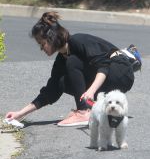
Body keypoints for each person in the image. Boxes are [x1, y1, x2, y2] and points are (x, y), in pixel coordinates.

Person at [5, 11, 134, 127]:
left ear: (51, 37)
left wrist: (91, 91)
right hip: (108, 82)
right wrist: (19, 114)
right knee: (61, 81)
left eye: (42, 43)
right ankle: (91, 109)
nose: (41, 48)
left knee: (72, 61)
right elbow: (50, 92)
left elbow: (104, 65)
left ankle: (84, 112)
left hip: (121, 72)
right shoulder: (61, 59)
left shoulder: (78, 41)